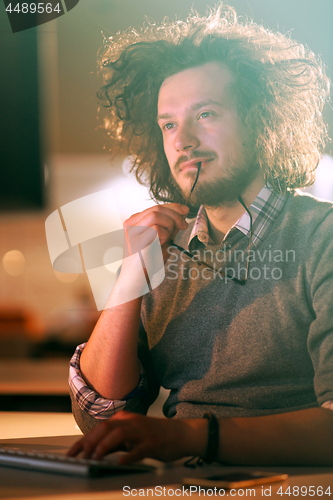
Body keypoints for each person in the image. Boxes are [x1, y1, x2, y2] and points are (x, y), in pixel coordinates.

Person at [67, 4, 333, 465]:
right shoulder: (161, 252)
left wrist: (189, 438)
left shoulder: (322, 237)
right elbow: (101, 418)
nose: (182, 140)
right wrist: (131, 275)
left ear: (262, 120)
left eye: (205, 114)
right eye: (168, 124)